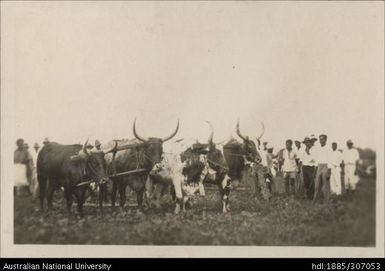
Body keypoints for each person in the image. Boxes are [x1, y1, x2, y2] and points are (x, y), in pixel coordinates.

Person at [312, 134, 332, 204]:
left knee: (325, 185)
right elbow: (317, 159)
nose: (321, 141)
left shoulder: (329, 148)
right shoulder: (318, 148)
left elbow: (330, 160)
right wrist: (315, 169)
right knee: (317, 185)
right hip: (319, 166)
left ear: (325, 140)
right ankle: (315, 201)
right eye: (320, 139)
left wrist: (329, 171)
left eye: (322, 139)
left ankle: (326, 202)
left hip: (326, 166)